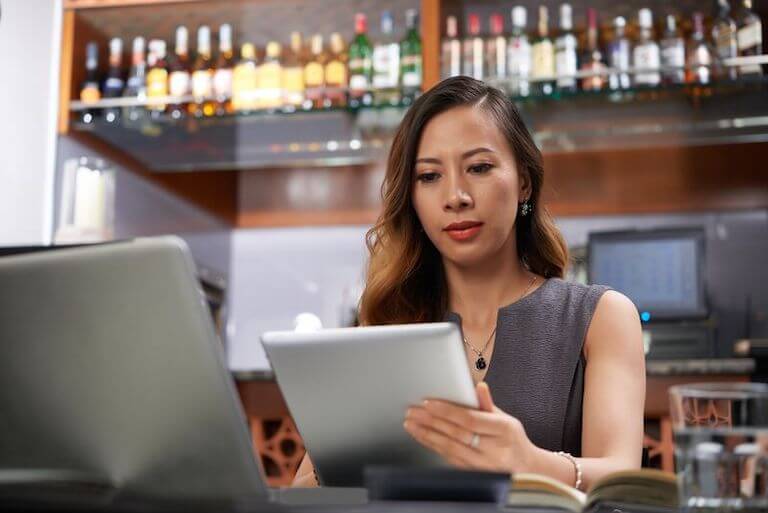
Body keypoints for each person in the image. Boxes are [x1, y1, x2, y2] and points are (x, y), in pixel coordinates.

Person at [292, 76, 645, 490]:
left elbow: (624, 483)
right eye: (429, 176)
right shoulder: (386, 331)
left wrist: (531, 462)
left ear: (524, 182)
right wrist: (347, 454)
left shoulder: (601, 317)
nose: (455, 196)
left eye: (478, 168)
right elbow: (302, 491)